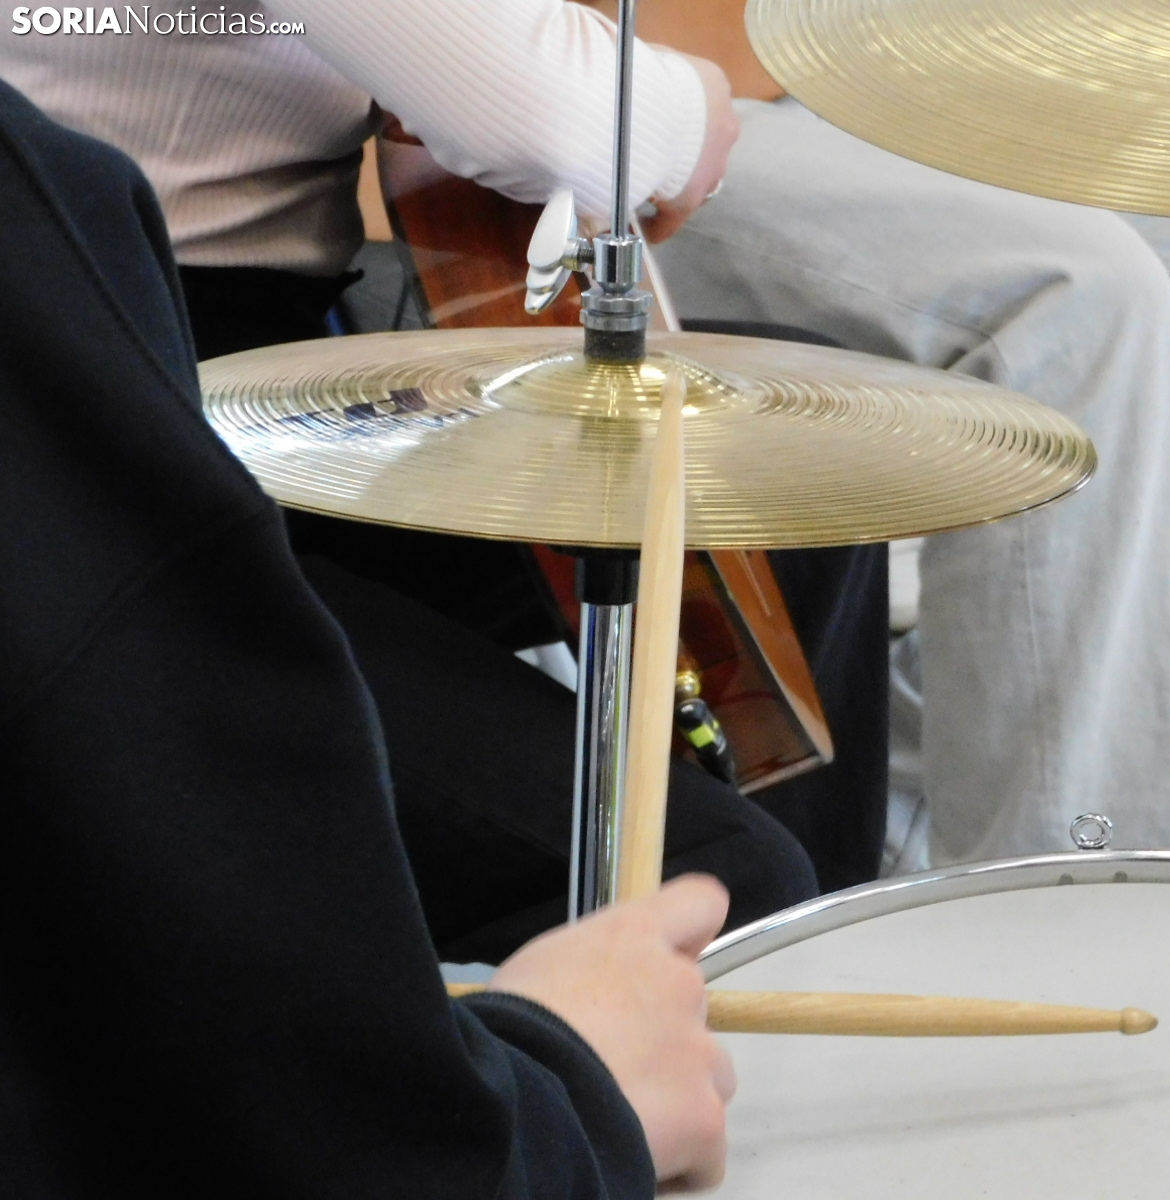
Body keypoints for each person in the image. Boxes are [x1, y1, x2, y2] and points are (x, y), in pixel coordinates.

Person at [0, 0, 893, 943]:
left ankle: (813, 981)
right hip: (85, 486)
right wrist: (696, 104)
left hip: (243, 400)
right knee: (711, 877)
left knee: (792, 455)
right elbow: (557, 118)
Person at [0, 77, 731, 1195]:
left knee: (791, 527)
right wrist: (573, 1093)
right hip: (204, 379)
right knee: (722, 867)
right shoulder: (29, 217)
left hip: (265, 355)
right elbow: (562, 114)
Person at [600, 0, 1170, 866]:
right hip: (619, 94)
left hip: (834, 70)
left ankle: (915, 799)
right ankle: (1064, 895)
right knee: (1079, 301)